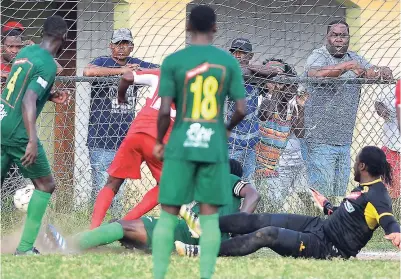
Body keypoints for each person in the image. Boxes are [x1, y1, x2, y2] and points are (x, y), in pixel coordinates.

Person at [151, 5, 246, 279]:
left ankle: (159, 275)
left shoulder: (173, 61)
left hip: (181, 143)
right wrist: (226, 129)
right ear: (215, 28)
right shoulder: (228, 62)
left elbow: (163, 109)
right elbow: (241, 108)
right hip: (213, 146)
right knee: (209, 216)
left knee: (168, 213)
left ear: (188, 27)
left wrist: (159, 141)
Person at [176, 146, 401, 259]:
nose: (354, 165)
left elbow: (387, 219)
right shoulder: (361, 189)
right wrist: (327, 206)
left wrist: (396, 232)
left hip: (329, 248)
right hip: (320, 226)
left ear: (362, 167)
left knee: (268, 233)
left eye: (356, 162)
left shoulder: (378, 195)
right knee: (259, 219)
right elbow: (352, 219)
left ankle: (201, 251)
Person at [46, 160, 260, 253]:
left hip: (191, 233)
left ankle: (70, 244)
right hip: (189, 234)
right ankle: (91, 242)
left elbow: (253, 195)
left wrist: (238, 222)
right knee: (127, 230)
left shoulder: (228, 178)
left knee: (123, 227)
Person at [0, 15, 69, 255]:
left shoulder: (25, 52)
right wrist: (31, 140)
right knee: (45, 184)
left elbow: (17, 85)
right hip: (19, 132)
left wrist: (49, 95)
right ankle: (26, 248)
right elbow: (28, 99)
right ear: (64, 37)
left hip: (1, 122)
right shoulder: (49, 64)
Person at [304, 19, 393, 198]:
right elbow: (316, 74)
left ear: (348, 38)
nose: (338, 39)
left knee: (338, 195)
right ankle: (316, 224)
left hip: (344, 140)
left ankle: (334, 225)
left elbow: (371, 72)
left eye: (343, 35)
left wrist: (381, 71)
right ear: (327, 38)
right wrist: (347, 67)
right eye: (334, 35)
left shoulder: (355, 57)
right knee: (321, 195)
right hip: (319, 139)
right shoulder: (318, 55)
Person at [83, 28, 158, 216]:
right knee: (101, 187)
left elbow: (162, 70)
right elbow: (87, 71)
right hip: (100, 138)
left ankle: (114, 225)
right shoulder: (102, 62)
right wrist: (121, 71)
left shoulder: (136, 64)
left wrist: (141, 71)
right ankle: (96, 224)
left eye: (125, 44)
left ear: (131, 46)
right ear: (111, 46)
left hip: (125, 140)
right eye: (117, 44)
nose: (121, 48)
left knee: (118, 190)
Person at [90, 69, 175, 229]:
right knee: (166, 186)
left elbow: (127, 76)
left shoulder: (161, 73)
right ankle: (122, 225)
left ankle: (92, 229)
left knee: (112, 183)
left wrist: (121, 96)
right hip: (158, 139)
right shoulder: (196, 88)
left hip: (135, 132)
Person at [226, 38, 258, 180]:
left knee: (246, 184)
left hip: (250, 144)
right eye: (234, 52)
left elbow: (274, 71)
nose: (237, 56)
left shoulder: (256, 75)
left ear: (250, 56)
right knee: (228, 182)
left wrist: (250, 69)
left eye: (241, 53)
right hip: (232, 143)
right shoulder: (230, 73)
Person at [375, 84, 401, 199]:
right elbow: (378, 102)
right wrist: (382, 110)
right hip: (393, 146)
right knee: (390, 191)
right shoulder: (394, 88)